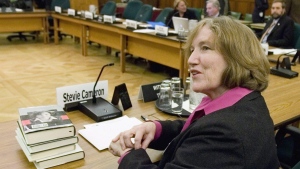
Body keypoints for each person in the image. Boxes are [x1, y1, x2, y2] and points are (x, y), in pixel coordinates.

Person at [109, 16, 280, 168]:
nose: (190, 60)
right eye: (192, 50)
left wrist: (128, 156)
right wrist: (157, 128)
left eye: (205, 48)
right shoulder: (244, 100)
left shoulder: (225, 134)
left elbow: (209, 136)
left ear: (238, 57)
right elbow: (197, 130)